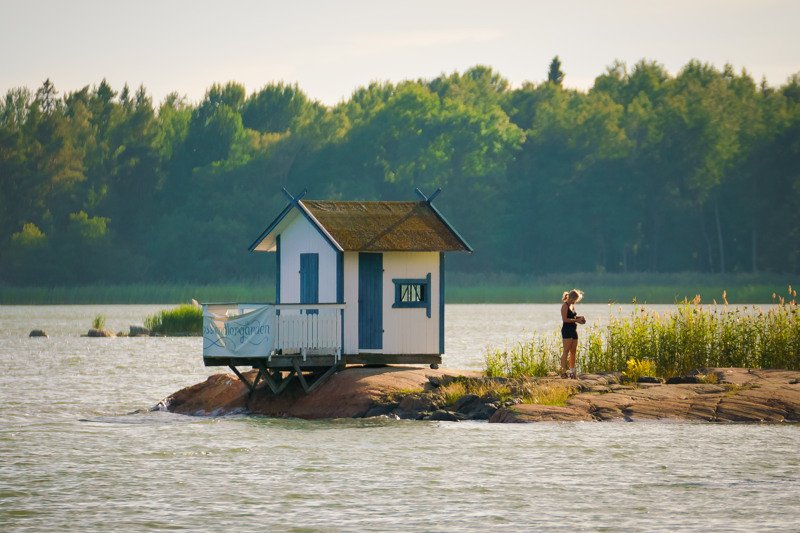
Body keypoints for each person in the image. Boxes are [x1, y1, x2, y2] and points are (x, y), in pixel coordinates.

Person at [560, 289, 585, 378]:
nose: (576, 301)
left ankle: (572, 372)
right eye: (575, 300)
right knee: (566, 351)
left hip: (574, 330)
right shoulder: (565, 306)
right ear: (572, 298)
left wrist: (580, 318)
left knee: (573, 351)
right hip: (567, 330)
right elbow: (565, 319)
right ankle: (563, 372)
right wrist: (576, 320)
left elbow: (573, 316)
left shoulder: (572, 306)